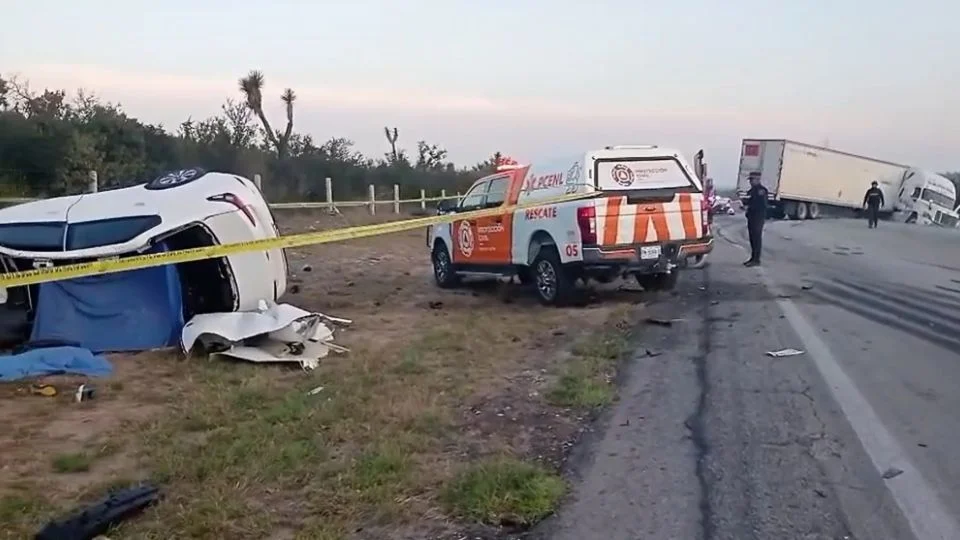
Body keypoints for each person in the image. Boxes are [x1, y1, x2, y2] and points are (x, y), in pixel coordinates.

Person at [744, 173, 768, 267]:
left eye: (752, 180)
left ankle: (756, 259)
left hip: (758, 217)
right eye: (750, 180)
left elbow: (762, 205)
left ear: (757, 179)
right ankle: (753, 258)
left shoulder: (762, 191)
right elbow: (748, 201)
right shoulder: (751, 191)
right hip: (751, 217)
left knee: (756, 238)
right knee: (752, 238)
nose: (750, 182)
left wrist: (750, 205)